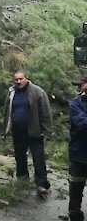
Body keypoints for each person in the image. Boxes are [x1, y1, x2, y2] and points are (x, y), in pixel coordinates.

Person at [3, 71, 53, 196]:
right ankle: (22, 179)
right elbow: (7, 111)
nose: (18, 82)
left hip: (34, 131)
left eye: (21, 79)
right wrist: (6, 128)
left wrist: (47, 131)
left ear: (26, 79)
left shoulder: (37, 92)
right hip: (18, 131)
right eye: (16, 80)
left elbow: (45, 112)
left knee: (38, 158)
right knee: (19, 156)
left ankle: (41, 184)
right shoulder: (12, 92)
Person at [68, 76, 87, 221]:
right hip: (78, 152)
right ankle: (74, 214)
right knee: (75, 186)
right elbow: (81, 123)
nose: (80, 87)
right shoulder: (75, 103)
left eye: (82, 84)